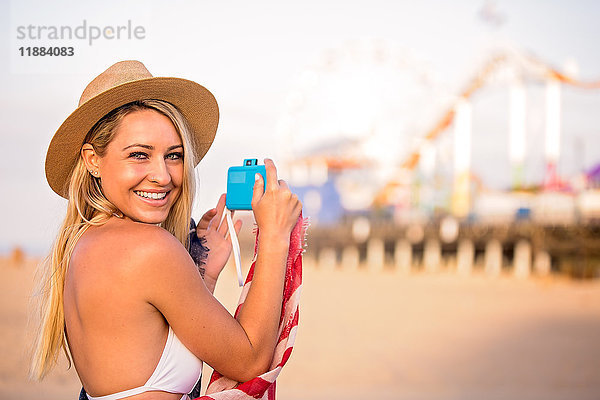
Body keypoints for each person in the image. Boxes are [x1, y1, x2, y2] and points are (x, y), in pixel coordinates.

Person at [31, 60, 302, 400]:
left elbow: (146, 340)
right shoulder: (150, 248)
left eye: (173, 156)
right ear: (92, 160)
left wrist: (201, 270)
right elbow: (249, 361)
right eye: (139, 155)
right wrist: (275, 236)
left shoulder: (81, 242)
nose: (163, 175)